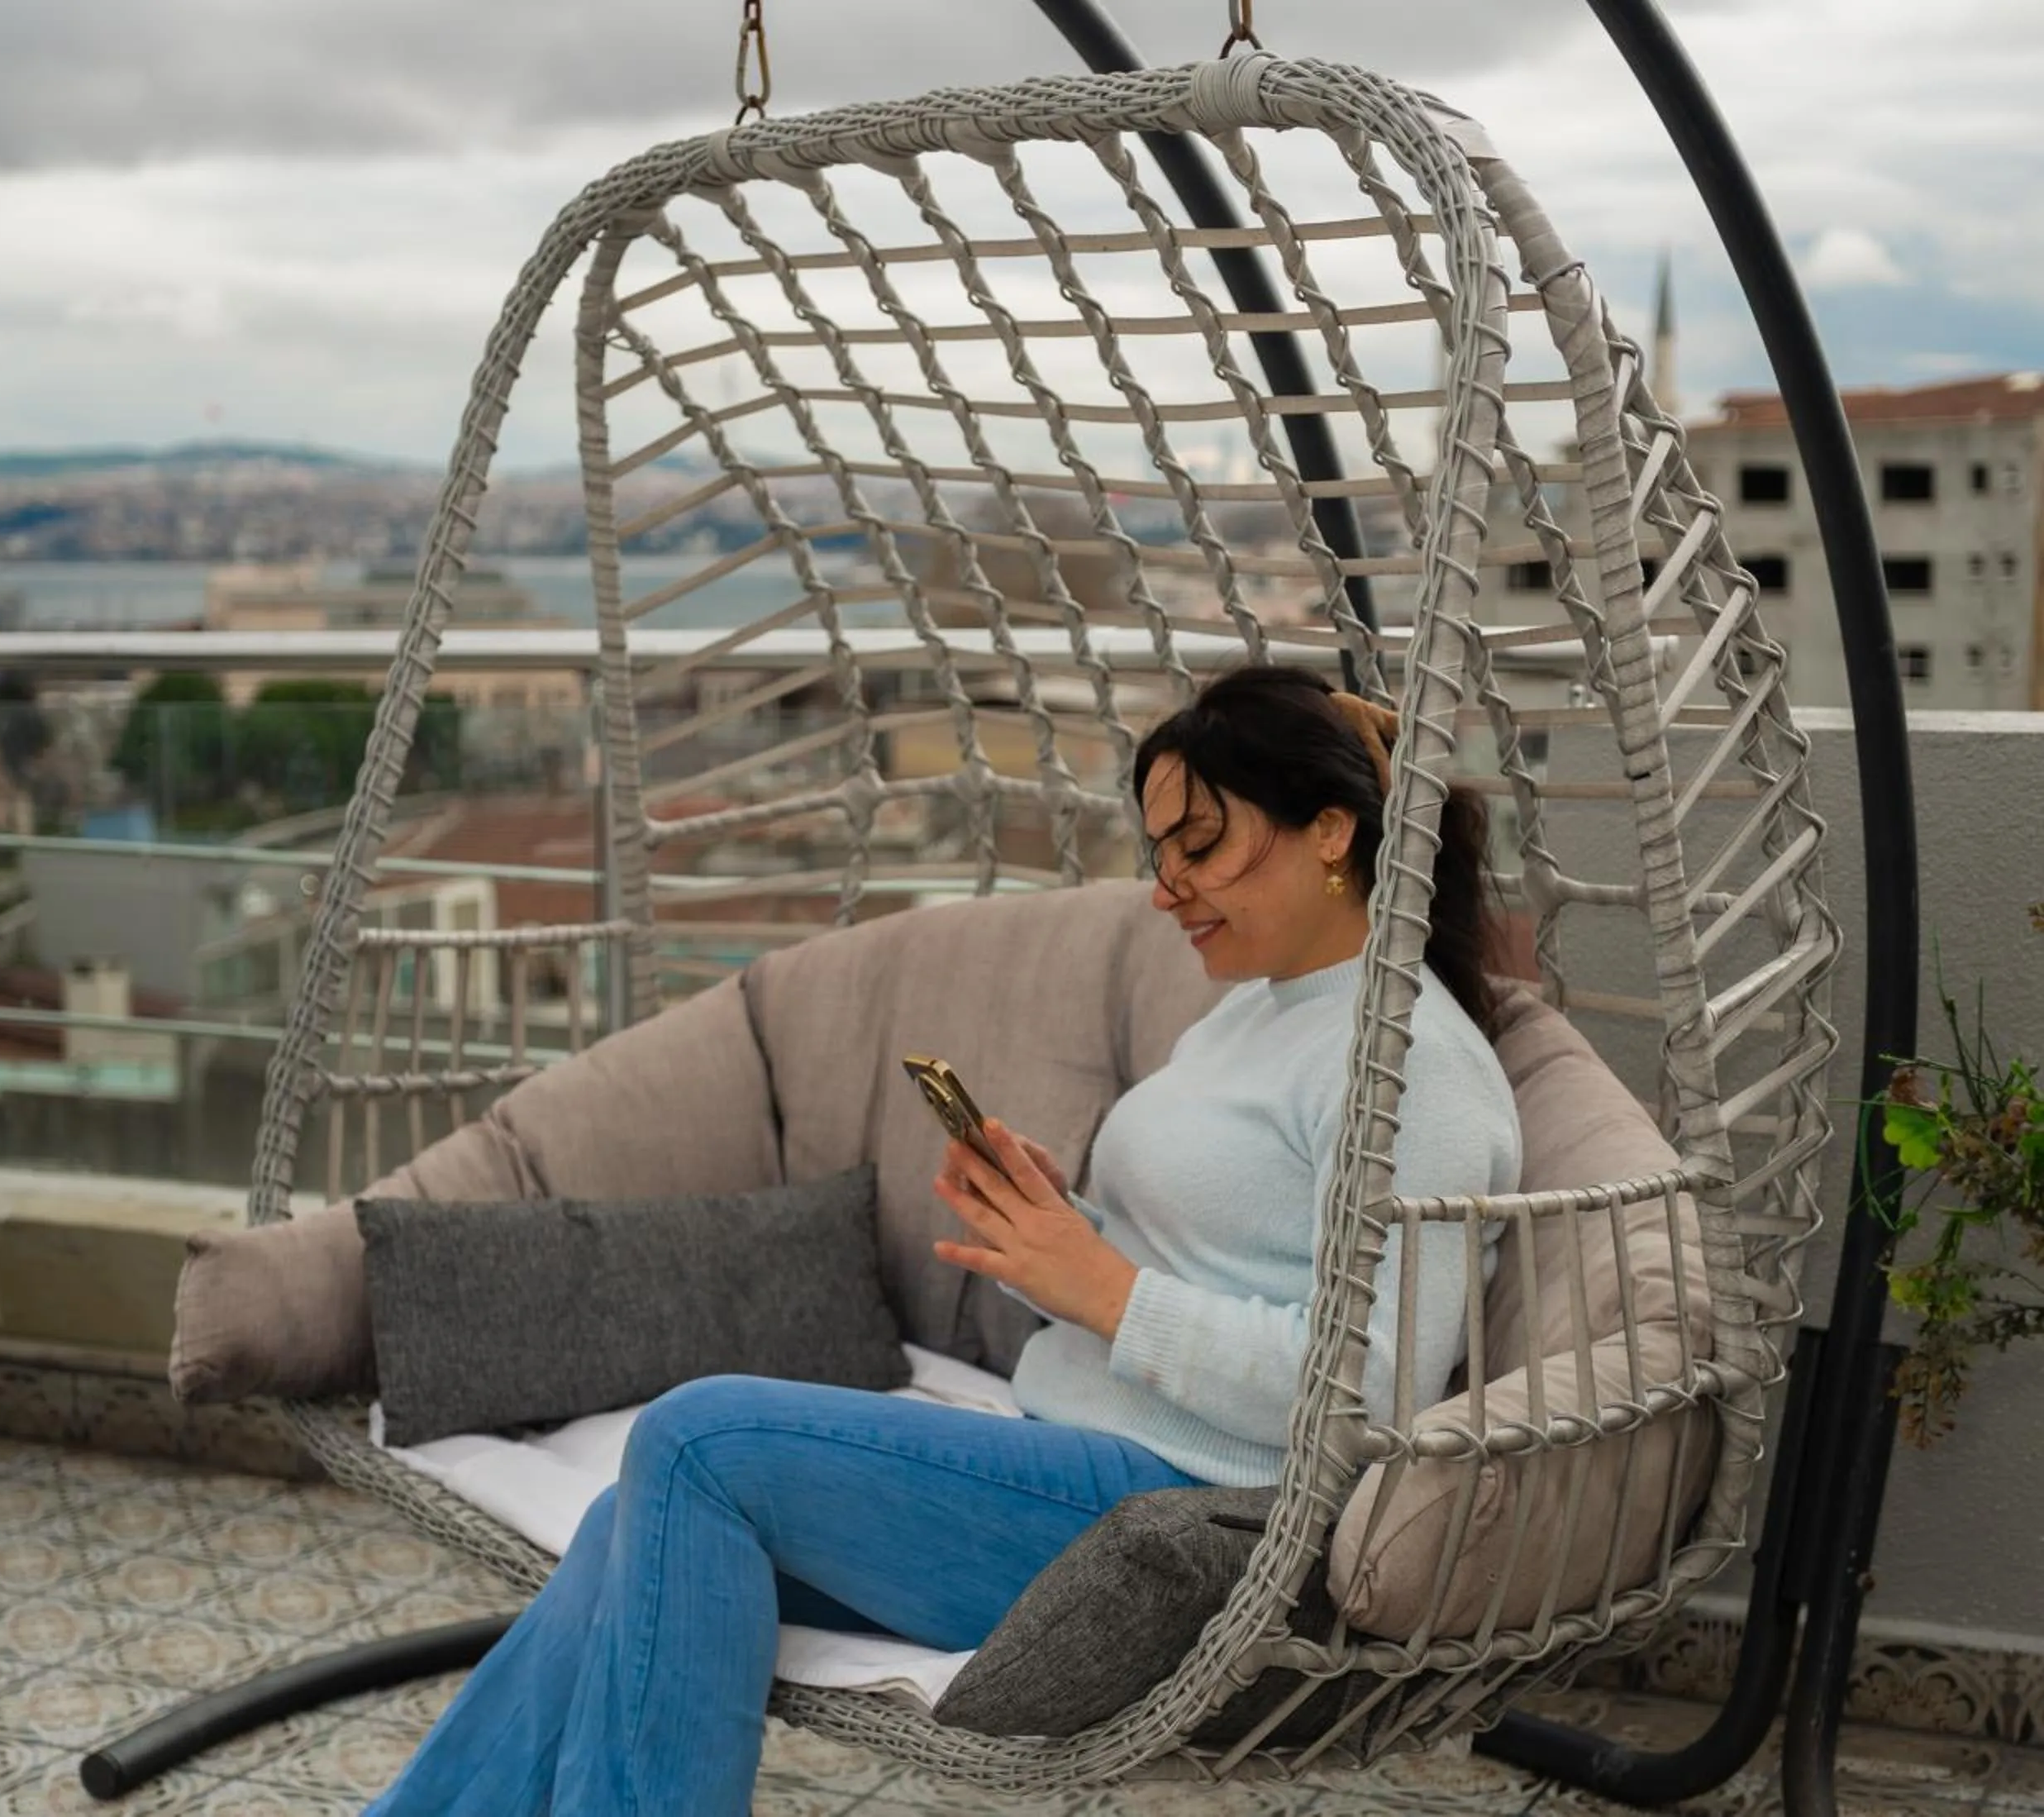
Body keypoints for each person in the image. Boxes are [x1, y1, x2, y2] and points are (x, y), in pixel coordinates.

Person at [364, 664, 1523, 1815]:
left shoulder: (1411, 1064)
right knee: (634, 1524)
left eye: (1205, 842)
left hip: (1190, 1507)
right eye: (1159, 849)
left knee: (698, 1439)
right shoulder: (1258, 1011)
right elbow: (1200, 1262)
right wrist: (1056, 1232)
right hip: (1070, 1455)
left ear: (1331, 830)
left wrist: (1109, 1289)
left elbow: (1368, 1392)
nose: (1169, 884)